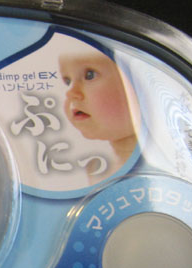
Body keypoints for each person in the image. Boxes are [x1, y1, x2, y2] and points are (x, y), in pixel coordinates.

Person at [58, 48, 138, 181]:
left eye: (89, 75)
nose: (70, 92)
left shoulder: (165, 158)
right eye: (67, 81)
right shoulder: (95, 169)